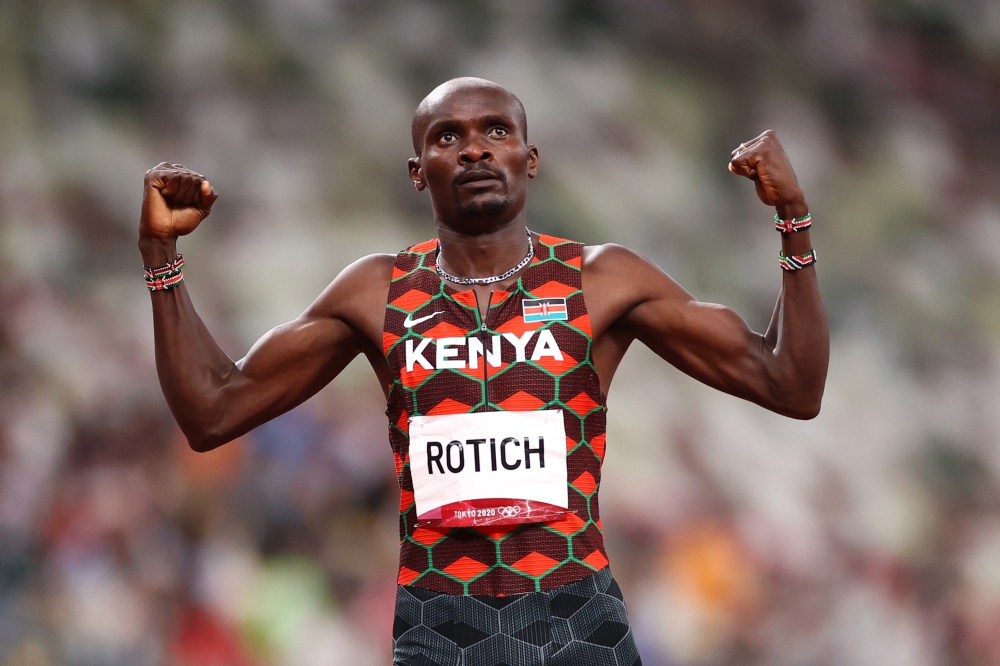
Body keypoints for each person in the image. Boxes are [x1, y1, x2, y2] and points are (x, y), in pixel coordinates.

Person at [138, 77, 828, 666]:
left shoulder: (602, 280)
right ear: (417, 172)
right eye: (446, 137)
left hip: (575, 623)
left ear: (530, 159)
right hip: (442, 628)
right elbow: (212, 413)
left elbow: (789, 385)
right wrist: (162, 258)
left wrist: (794, 219)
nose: (472, 147)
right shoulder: (376, 291)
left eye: (495, 131)